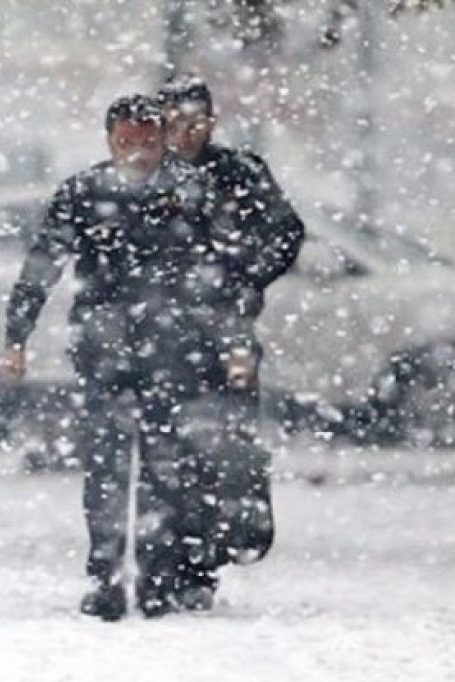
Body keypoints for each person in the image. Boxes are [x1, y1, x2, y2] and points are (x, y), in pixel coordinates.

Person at [0, 94, 226, 621]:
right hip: (105, 349)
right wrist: (17, 336)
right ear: (110, 141)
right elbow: (43, 264)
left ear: (163, 141)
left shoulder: (191, 193)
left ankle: (157, 575)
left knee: (166, 467)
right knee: (106, 466)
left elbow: (221, 273)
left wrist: (226, 342)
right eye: (127, 142)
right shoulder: (84, 192)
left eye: (147, 142)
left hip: (175, 350)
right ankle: (106, 576)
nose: (138, 153)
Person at [158, 75, 305, 571]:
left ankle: (226, 537)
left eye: (194, 122)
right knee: (165, 437)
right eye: (176, 122)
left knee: (229, 435)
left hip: (227, 326)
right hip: (158, 329)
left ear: (210, 122)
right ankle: (177, 543)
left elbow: (285, 232)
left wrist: (246, 278)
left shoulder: (239, 172)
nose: (186, 133)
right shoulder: (146, 175)